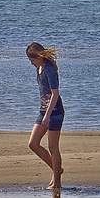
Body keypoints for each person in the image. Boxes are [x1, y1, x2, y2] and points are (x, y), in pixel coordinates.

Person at [26, 42, 64, 189]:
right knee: (33, 144)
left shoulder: (49, 70)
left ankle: (57, 182)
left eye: (33, 60)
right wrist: (44, 114)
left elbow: (55, 94)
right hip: (44, 111)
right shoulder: (40, 69)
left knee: (53, 147)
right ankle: (57, 170)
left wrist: (47, 116)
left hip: (54, 113)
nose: (32, 64)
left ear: (40, 57)